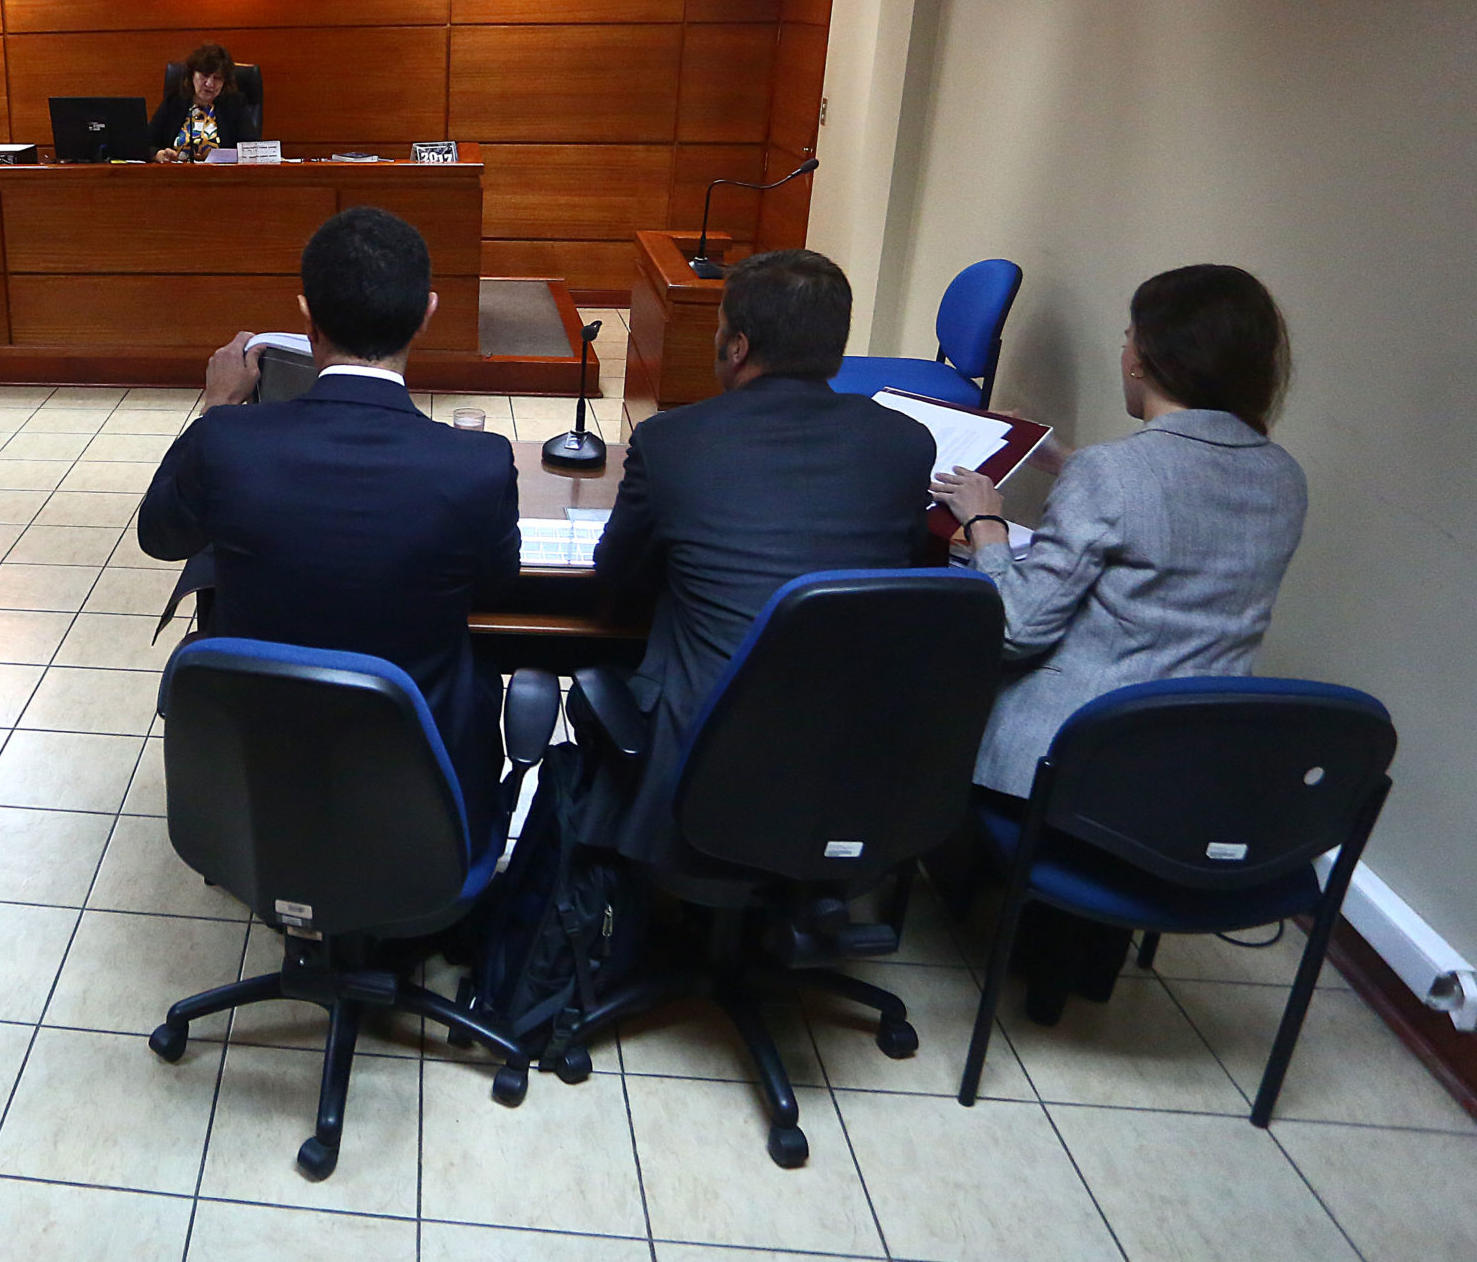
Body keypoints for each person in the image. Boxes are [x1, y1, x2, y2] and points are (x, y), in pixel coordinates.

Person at [931, 264, 1306, 1018]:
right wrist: (1063, 461)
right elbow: (1175, 510)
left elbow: (1017, 629)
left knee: (942, 656)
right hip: (1191, 762)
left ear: (1144, 358)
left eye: (1129, 336)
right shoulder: (1282, 476)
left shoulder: (1115, 473)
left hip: (1077, 761)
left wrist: (987, 523)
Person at [137, 205, 519, 828]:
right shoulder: (478, 464)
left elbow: (159, 535)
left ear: (306, 316)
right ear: (427, 314)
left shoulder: (228, 442)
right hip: (421, 804)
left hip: (260, 787)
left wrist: (216, 408)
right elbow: (496, 588)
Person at [586, 248, 937, 863]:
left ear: (738, 347)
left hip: (705, 767)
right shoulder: (906, 441)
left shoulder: (671, 441)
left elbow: (617, 575)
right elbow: (904, 565)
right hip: (855, 765)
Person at [150, 43, 257, 163]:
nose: (210, 84)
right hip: (175, 172)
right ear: (192, 75)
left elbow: (251, 150)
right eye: (204, 76)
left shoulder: (235, 104)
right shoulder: (174, 101)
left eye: (217, 78)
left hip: (221, 173)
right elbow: (146, 144)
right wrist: (158, 154)